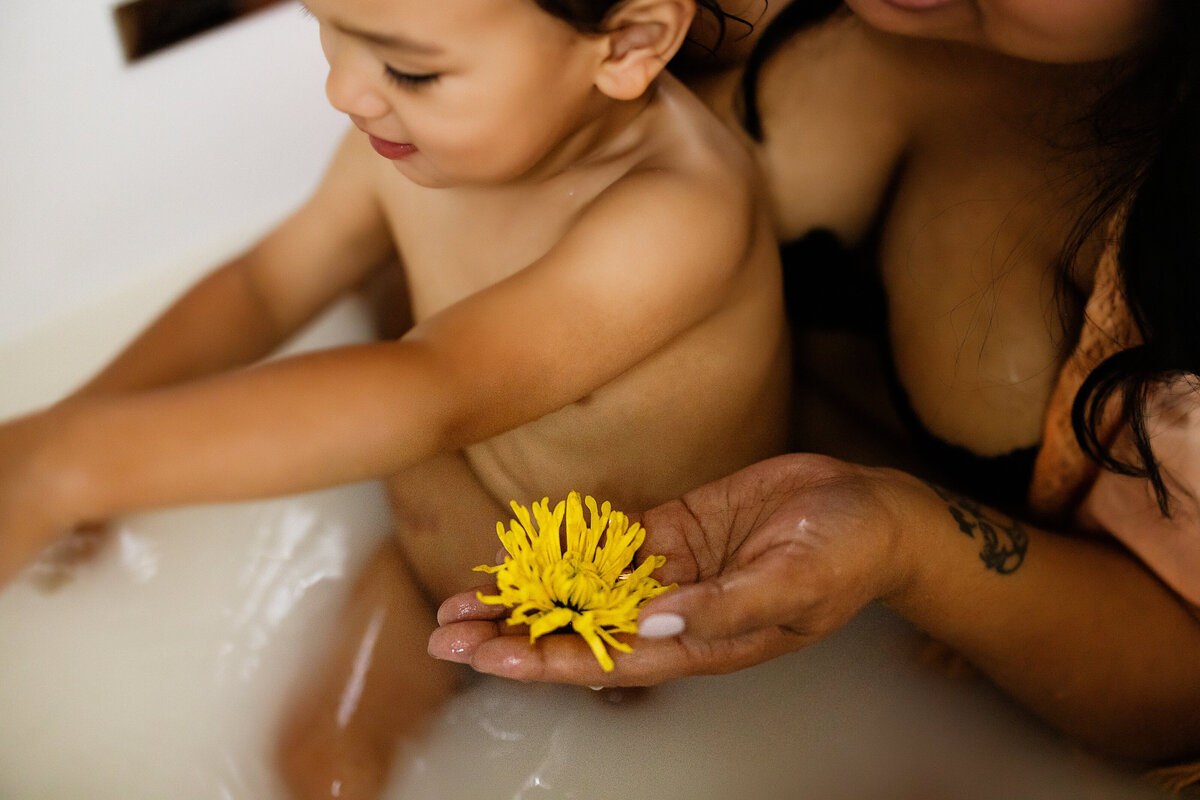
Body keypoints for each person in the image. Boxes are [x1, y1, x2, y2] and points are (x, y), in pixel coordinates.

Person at [0, 0, 793, 797]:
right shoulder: (408, 139)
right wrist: (61, 430)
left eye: (408, 67)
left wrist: (75, 465)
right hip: (438, 558)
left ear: (629, 43)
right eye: (325, 25)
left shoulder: (675, 218)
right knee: (323, 774)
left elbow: (433, 389)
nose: (342, 90)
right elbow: (263, 287)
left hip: (630, 634)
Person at [430, 0, 1200, 789]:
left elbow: (1184, 697)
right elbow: (421, 165)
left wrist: (904, 543)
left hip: (904, 715)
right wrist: (413, 532)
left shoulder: (1174, 273)